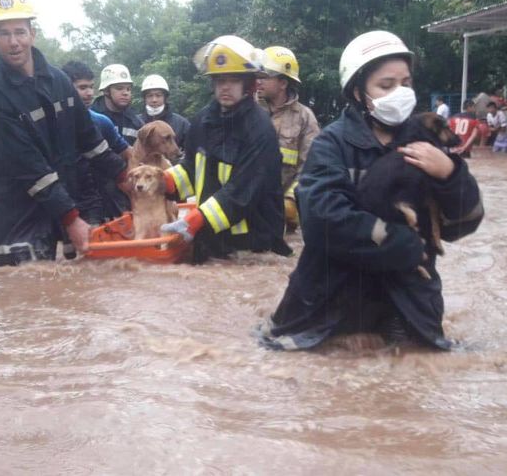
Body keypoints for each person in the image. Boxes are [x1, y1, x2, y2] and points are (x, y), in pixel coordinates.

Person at [258, 30, 484, 351]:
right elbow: (322, 221)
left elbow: (463, 223)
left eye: (405, 83)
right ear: (358, 92)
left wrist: (450, 175)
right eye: (386, 85)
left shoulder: (429, 144)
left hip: (409, 310)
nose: (400, 93)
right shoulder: (332, 145)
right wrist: (400, 243)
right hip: (328, 312)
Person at [0, 0, 127, 266]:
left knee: (68, 296)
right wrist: (72, 219)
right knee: (27, 294)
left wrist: (125, 177)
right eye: (4, 33)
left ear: (33, 33)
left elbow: (90, 141)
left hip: (54, 204)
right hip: (14, 218)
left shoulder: (58, 81)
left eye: (20, 32)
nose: (14, 42)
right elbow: (31, 169)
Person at [160, 35, 292, 262]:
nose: (225, 87)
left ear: (249, 84)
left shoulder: (260, 128)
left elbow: (242, 191)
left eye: (233, 80)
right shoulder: (202, 121)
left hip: (252, 247)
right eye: (219, 80)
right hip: (212, 240)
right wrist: (162, 182)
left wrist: (196, 220)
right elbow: (192, 168)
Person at [256, 46, 321, 231]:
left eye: (265, 76)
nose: (258, 81)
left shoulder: (305, 118)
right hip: (247, 209)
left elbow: (311, 167)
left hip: (286, 217)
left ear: (283, 83)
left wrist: (291, 200)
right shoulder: (247, 111)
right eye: (257, 76)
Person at [62, 60, 132, 224]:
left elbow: (129, 154)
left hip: (100, 205)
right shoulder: (50, 124)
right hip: (63, 203)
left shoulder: (102, 122)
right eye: (82, 87)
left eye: (91, 87)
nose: (89, 93)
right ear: (64, 88)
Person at [91, 64, 143, 146]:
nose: (125, 93)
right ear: (106, 91)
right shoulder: (91, 118)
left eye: (128, 89)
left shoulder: (136, 123)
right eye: (119, 88)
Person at [138, 74, 191, 149]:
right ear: (144, 98)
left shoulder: (181, 124)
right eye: (150, 96)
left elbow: (190, 152)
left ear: (165, 98)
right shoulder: (135, 122)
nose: (154, 100)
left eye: (158, 95)